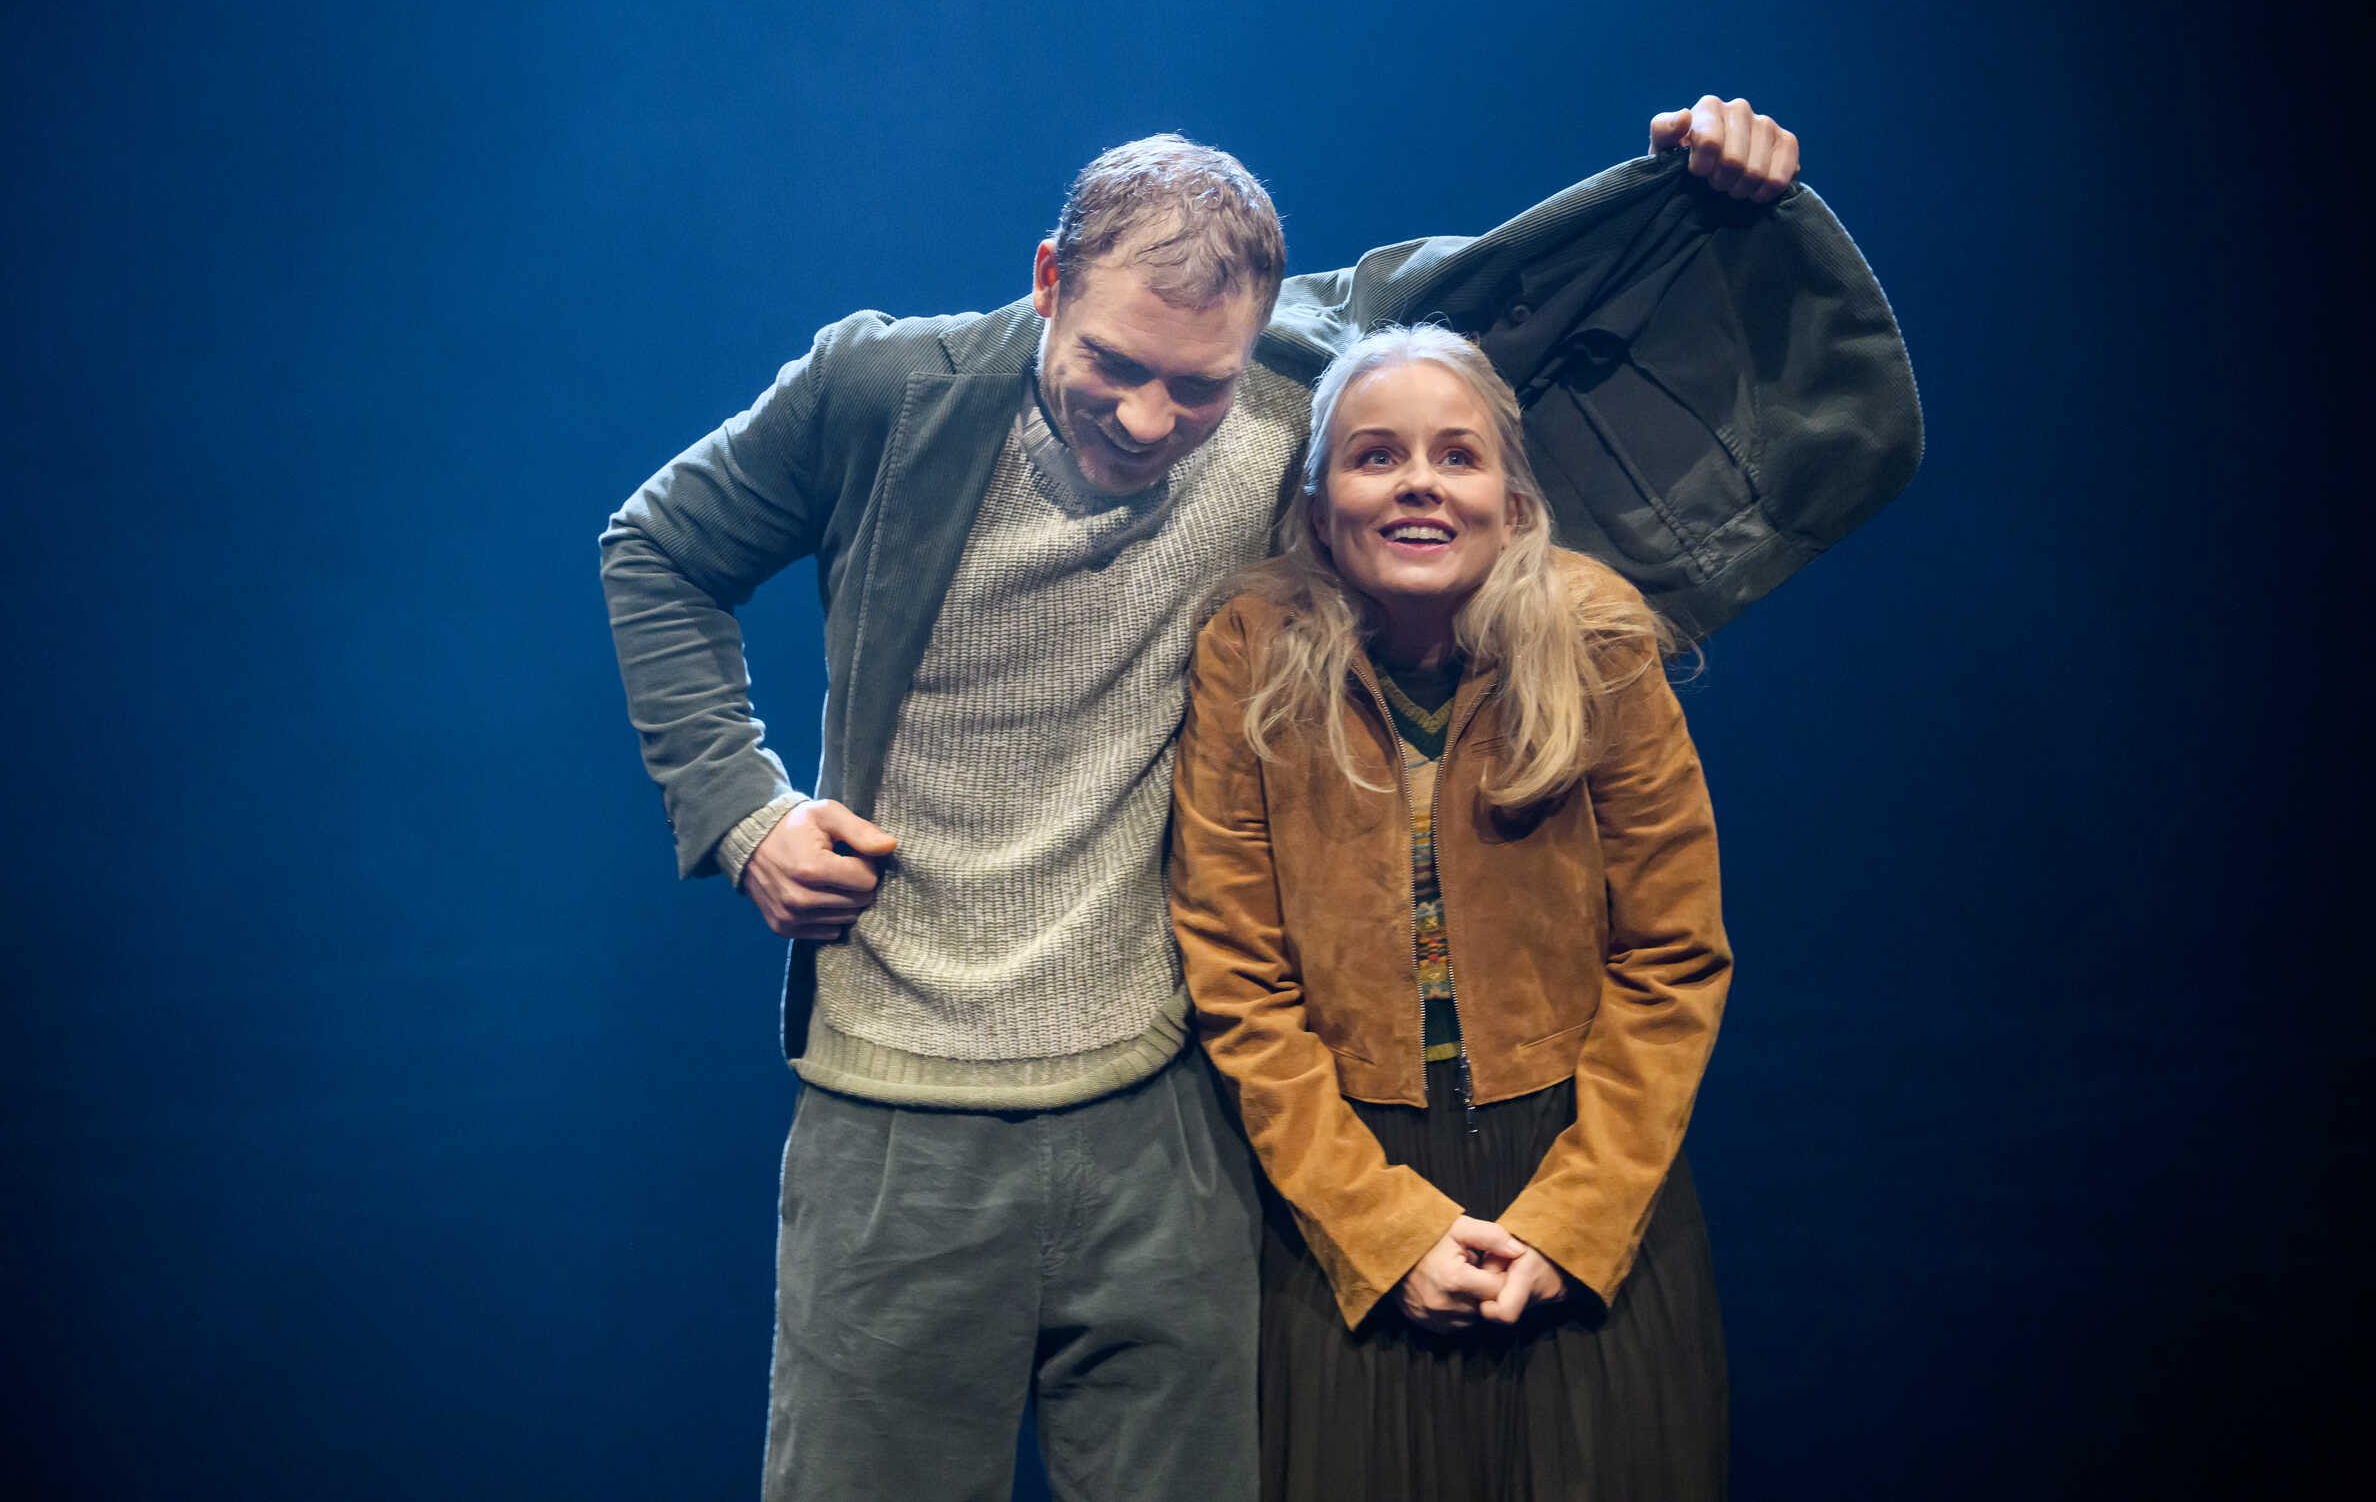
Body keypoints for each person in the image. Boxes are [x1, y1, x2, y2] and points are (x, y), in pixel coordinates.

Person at [600, 99, 1913, 1502]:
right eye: (1113, 363)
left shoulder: (1310, 387)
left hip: (1163, 1121)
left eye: (1200, 389)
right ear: (1048, 280)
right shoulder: (881, 390)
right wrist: (748, 815)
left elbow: (1527, 289)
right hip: (899, 1114)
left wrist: (1719, 176)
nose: (1150, 419)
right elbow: (657, 550)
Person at [1169, 322, 1736, 1499]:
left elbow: (1672, 959)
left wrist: (1568, 1225)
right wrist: (1379, 1231)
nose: (1418, 481)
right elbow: (1235, 979)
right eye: (1375, 456)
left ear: (1514, 505)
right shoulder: (1249, 652)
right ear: (1320, 508)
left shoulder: (1600, 644)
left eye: (1456, 456)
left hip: (1582, 1169)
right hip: (1341, 1187)